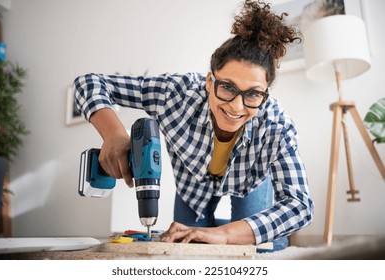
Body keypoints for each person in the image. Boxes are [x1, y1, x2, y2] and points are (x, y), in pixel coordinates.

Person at [74, 0, 314, 251]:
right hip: (192, 187)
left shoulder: (277, 126)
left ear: (265, 93)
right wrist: (113, 134)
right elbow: (88, 83)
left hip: (249, 184)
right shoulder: (176, 94)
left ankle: (252, 235)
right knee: (188, 245)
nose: (237, 107)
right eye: (227, 88)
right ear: (210, 81)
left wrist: (224, 235)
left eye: (253, 94)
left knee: (260, 248)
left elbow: (300, 205)